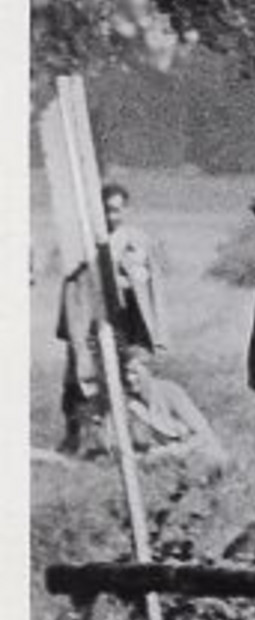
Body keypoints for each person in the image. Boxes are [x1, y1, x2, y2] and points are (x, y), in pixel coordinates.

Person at [56, 182, 170, 455]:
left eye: (117, 211)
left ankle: (144, 437)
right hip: (94, 323)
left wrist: (160, 333)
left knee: (133, 379)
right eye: (106, 211)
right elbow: (74, 286)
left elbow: (154, 288)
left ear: (126, 210)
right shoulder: (86, 243)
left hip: (129, 323)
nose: (111, 217)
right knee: (83, 381)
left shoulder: (137, 240)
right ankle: (80, 439)